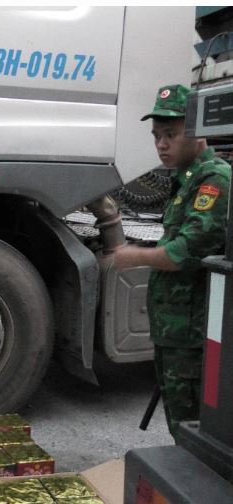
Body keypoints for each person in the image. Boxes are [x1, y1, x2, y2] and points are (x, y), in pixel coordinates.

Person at [114, 84, 230, 442]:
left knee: (195, 435)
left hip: (192, 337)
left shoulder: (214, 180)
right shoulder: (186, 181)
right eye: (156, 136)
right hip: (175, 333)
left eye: (170, 135)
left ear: (196, 134)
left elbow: (184, 253)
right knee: (181, 430)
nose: (161, 145)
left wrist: (133, 257)